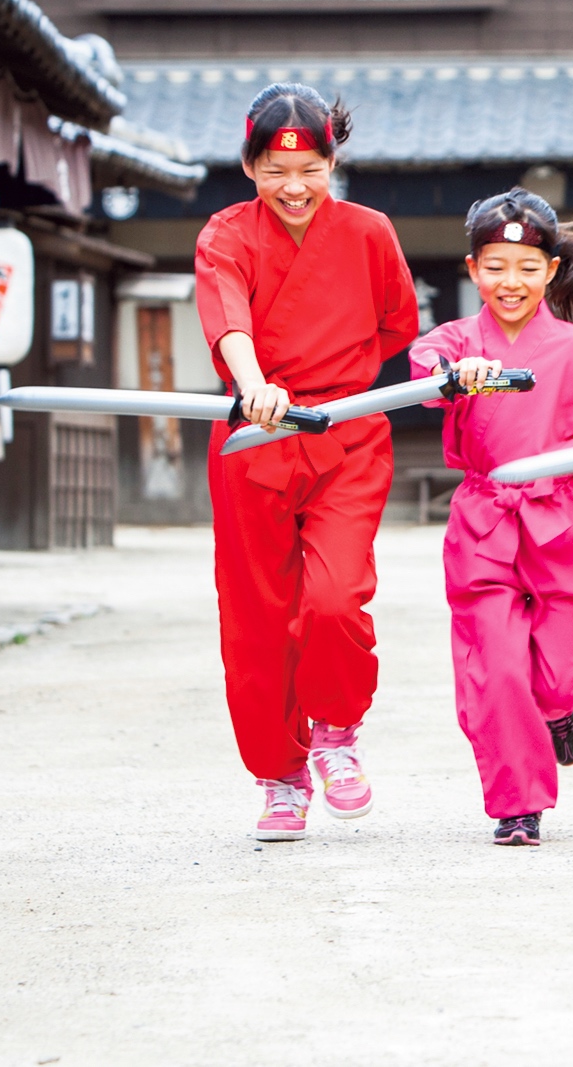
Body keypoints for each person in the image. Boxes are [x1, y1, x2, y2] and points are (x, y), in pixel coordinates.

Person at [195, 83, 420, 841]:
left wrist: (331, 382)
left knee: (333, 597)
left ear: (332, 160)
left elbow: (395, 323)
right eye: (275, 169)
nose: (294, 187)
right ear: (251, 165)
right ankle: (279, 775)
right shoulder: (225, 234)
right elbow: (227, 316)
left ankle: (336, 732)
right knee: (256, 617)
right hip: (253, 434)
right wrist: (255, 385)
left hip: (346, 432)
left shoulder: (369, 232)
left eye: (312, 168)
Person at [409, 190, 573, 847]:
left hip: (559, 518)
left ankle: (561, 709)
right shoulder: (459, 342)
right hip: (485, 519)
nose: (509, 281)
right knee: (495, 666)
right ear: (472, 269)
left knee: (557, 670)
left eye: (525, 266)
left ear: (549, 271)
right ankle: (516, 805)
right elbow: (422, 364)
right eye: (495, 266)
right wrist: (455, 375)